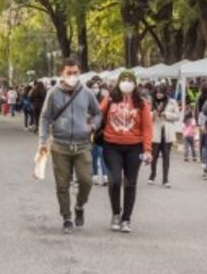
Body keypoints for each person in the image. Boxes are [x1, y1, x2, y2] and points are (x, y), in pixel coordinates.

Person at [37, 58, 102, 234]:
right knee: (62, 185)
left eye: (75, 72)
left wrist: (93, 126)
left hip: (82, 145)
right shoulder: (53, 93)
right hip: (60, 145)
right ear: (62, 73)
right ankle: (66, 217)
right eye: (69, 73)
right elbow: (44, 117)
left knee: (86, 181)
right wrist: (43, 140)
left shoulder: (86, 92)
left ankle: (79, 206)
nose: (72, 76)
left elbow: (97, 113)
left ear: (79, 72)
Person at [100, 71, 152, 232]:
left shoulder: (141, 103)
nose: (127, 82)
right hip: (111, 145)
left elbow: (147, 128)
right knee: (115, 180)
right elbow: (98, 115)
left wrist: (148, 150)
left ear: (135, 84)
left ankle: (126, 219)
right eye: (124, 80)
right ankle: (116, 213)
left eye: (130, 80)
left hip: (134, 147)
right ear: (118, 82)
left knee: (130, 183)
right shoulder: (109, 99)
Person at [148, 84, 179, 187]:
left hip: (167, 132)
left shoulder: (172, 102)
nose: (159, 95)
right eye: (157, 93)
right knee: (154, 156)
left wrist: (167, 114)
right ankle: (152, 175)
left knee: (166, 157)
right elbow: (146, 116)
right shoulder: (150, 102)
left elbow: (177, 116)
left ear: (165, 92)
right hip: (155, 131)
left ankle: (165, 179)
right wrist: (153, 114)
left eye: (161, 92)